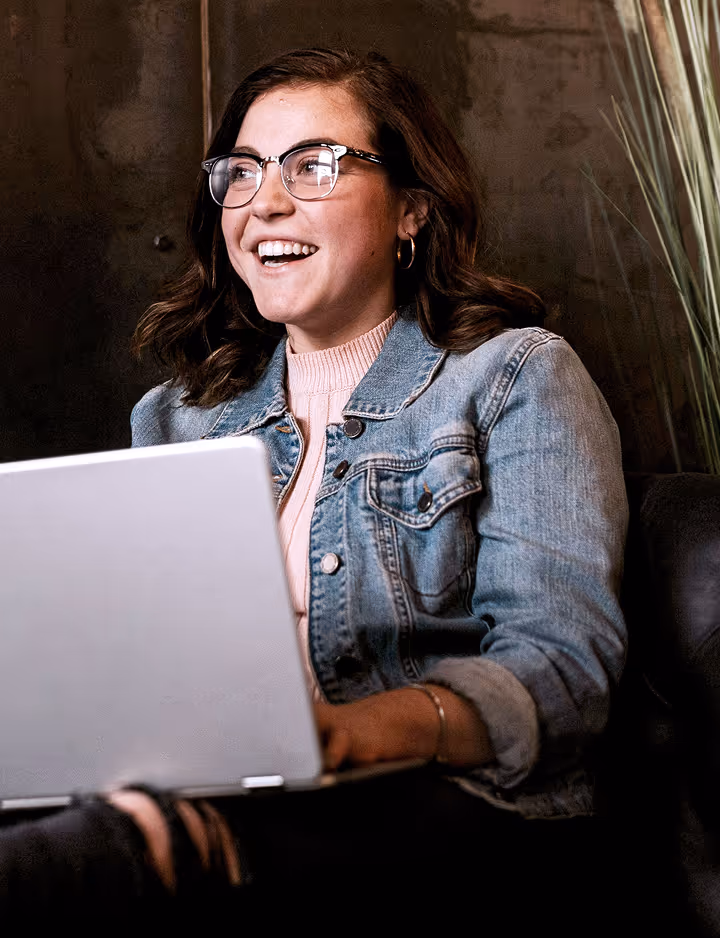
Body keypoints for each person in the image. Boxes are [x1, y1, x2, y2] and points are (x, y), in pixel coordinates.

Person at [0, 48, 628, 931]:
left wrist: (353, 730)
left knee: (128, 857)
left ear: (412, 208)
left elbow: (565, 674)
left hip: (453, 811)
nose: (266, 202)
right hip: (220, 800)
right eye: (243, 172)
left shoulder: (516, 376)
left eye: (313, 165)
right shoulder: (177, 416)